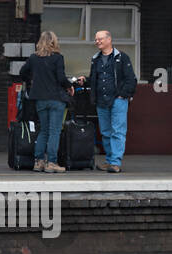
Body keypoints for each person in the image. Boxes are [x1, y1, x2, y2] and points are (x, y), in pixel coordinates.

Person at [76, 29, 136, 173]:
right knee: (106, 132)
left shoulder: (122, 58)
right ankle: (110, 161)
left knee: (117, 132)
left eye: (100, 39)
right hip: (101, 101)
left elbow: (131, 80)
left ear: (109, 39)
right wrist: (85, 80)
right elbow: (94, 79)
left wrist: (123, 95)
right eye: (96, 39)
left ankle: (115, 162)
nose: (97, 42)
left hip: (118, 100)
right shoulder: (95, 59)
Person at [19, 31, 75, 174]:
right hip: (56, 99)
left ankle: (38, 162)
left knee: (43, 130)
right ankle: (52, 162)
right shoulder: (58, 58)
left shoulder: (33, 58)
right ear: (53, 42)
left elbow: (22, 72)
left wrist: (32, 81)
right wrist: (70, 86)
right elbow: (61, 78)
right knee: (54, 131)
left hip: (40, 99)